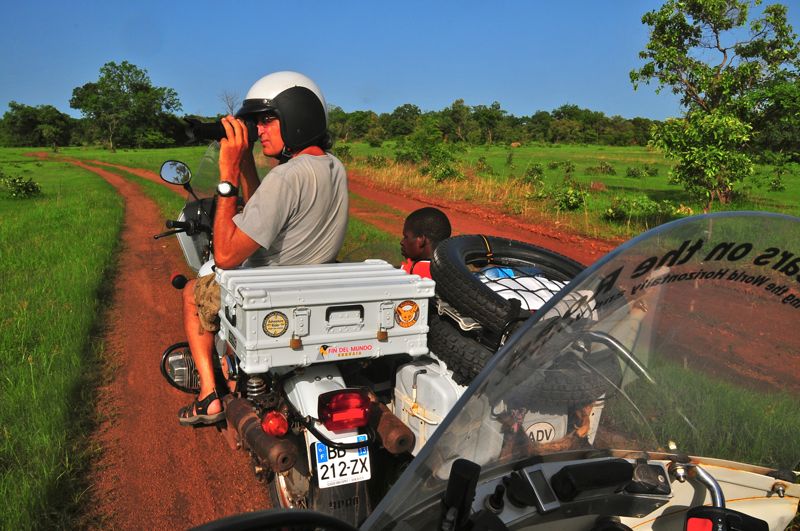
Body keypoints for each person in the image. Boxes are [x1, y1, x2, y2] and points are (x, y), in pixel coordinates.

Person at [178, 71, 349, 426]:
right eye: (257, 123)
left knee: (194, 292)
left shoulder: (286, 176)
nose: (260, 130)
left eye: (268, 119)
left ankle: (209, 395)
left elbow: (225, 256)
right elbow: (264, 212)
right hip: (311, 284)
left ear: (297, 117)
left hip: (267, 291)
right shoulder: (332, 167)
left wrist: (227, 175)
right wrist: (244, 163)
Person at [399, 207, 451, 279]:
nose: (401, 242)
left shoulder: (412, 272)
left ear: (421, 240)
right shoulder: (455, 269)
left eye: (406, 237)